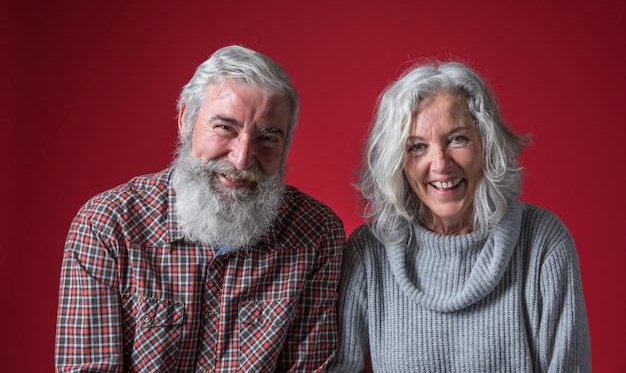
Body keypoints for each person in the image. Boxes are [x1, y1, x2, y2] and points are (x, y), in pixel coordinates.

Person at [55, 45, 345, 372]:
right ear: (185, 120)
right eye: (225, 128)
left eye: (267, 139)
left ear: (286, 145)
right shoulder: (108, 225)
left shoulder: (316, 233)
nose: (241, 159)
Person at [329, 61, 591, 372]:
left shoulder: (542, 242)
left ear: (486, 144)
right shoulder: (369, 252)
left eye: (458, 139)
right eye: (417, 147)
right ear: (397, 161)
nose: (440, 164)